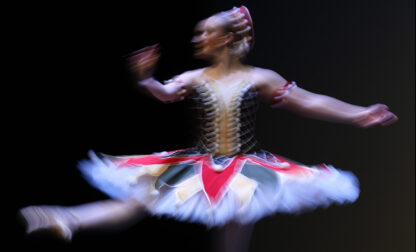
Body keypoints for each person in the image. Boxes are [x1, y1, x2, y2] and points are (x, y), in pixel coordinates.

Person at [19, 6, 398, 252]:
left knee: (236, 227)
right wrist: (146, 79)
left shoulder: (260, 78)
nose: (197, 38)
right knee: (137, 200)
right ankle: (65, 218)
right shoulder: (194, 76)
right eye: (198, 33)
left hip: (245, 166)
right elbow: (165, 93)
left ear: (229, 38)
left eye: (205, 32)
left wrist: (358, 114)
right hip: (199, 162)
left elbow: (310, 101)